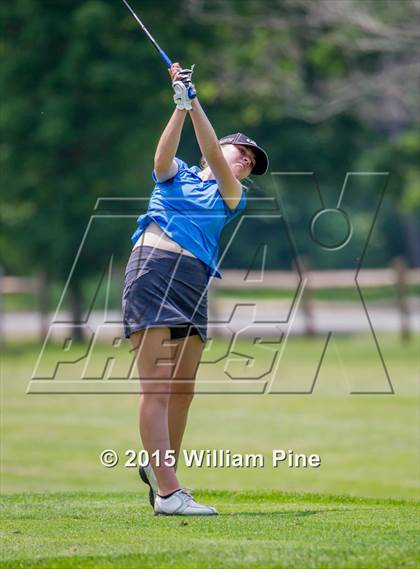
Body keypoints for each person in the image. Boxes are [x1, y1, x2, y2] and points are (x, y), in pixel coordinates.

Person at [122, 62, 269, 516]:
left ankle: (162, 471)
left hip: (193, 281)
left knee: (184, 389)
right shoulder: (178, 175)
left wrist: (193, 101)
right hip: (153, 267)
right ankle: (168, 493)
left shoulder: (232, 194)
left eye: (249, 161)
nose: (244, 161)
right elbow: (161, 159)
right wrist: (182, 106)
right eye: (240, 151)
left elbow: (210, 143)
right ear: (216, 150)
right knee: (159, 387)